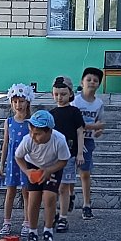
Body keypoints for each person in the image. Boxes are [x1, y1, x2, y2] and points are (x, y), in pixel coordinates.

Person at [14, 110, 70, 241]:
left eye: (38, 134)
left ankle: (48, 230)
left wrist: (49, 171)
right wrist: (27, 171)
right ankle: (32, 231)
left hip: (53, 166)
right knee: (33, 198)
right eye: (31, 132)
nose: (33, 136)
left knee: (50, 197)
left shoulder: (59, 140)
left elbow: (63, 160)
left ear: (49, 131)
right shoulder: (28, 140)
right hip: (33, 166)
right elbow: (18, 157)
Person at [47, 76, 86, 233]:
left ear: (70, 94)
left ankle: (63, 217)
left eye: (63, 94)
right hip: (53, 157)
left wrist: (80, 153)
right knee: (52, 187)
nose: (59, 97)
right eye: (56, 94)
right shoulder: (51, 114)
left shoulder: (74, 112)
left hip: (69, 155)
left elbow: (80, 131)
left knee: (64, 186)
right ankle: (54, 214)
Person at [0, 84, 35, 237]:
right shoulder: (9, 122)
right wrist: (2, 164)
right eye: (15, 102)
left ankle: (27, 222)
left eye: (21, 101)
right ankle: (6, 222)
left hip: (26, 162)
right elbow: (6, 143)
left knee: (26, 192)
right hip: (12, 162)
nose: (18, 105)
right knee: (10, 191)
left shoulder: (31, 123)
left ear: (27, 102)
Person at [73, 67, 107, 219]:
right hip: (72, 139)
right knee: (69, 171)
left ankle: (87, 204)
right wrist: (94, 126)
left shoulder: (98, 104)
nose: (92, 82)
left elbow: (100, 122)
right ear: (82, 82)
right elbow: (75, 124)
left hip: (88, 141)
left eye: (95, 80)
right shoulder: (75, 101)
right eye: (89, 79)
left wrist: (98, 131)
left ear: (99, 84)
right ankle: (69, 196)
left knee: (85, 173)